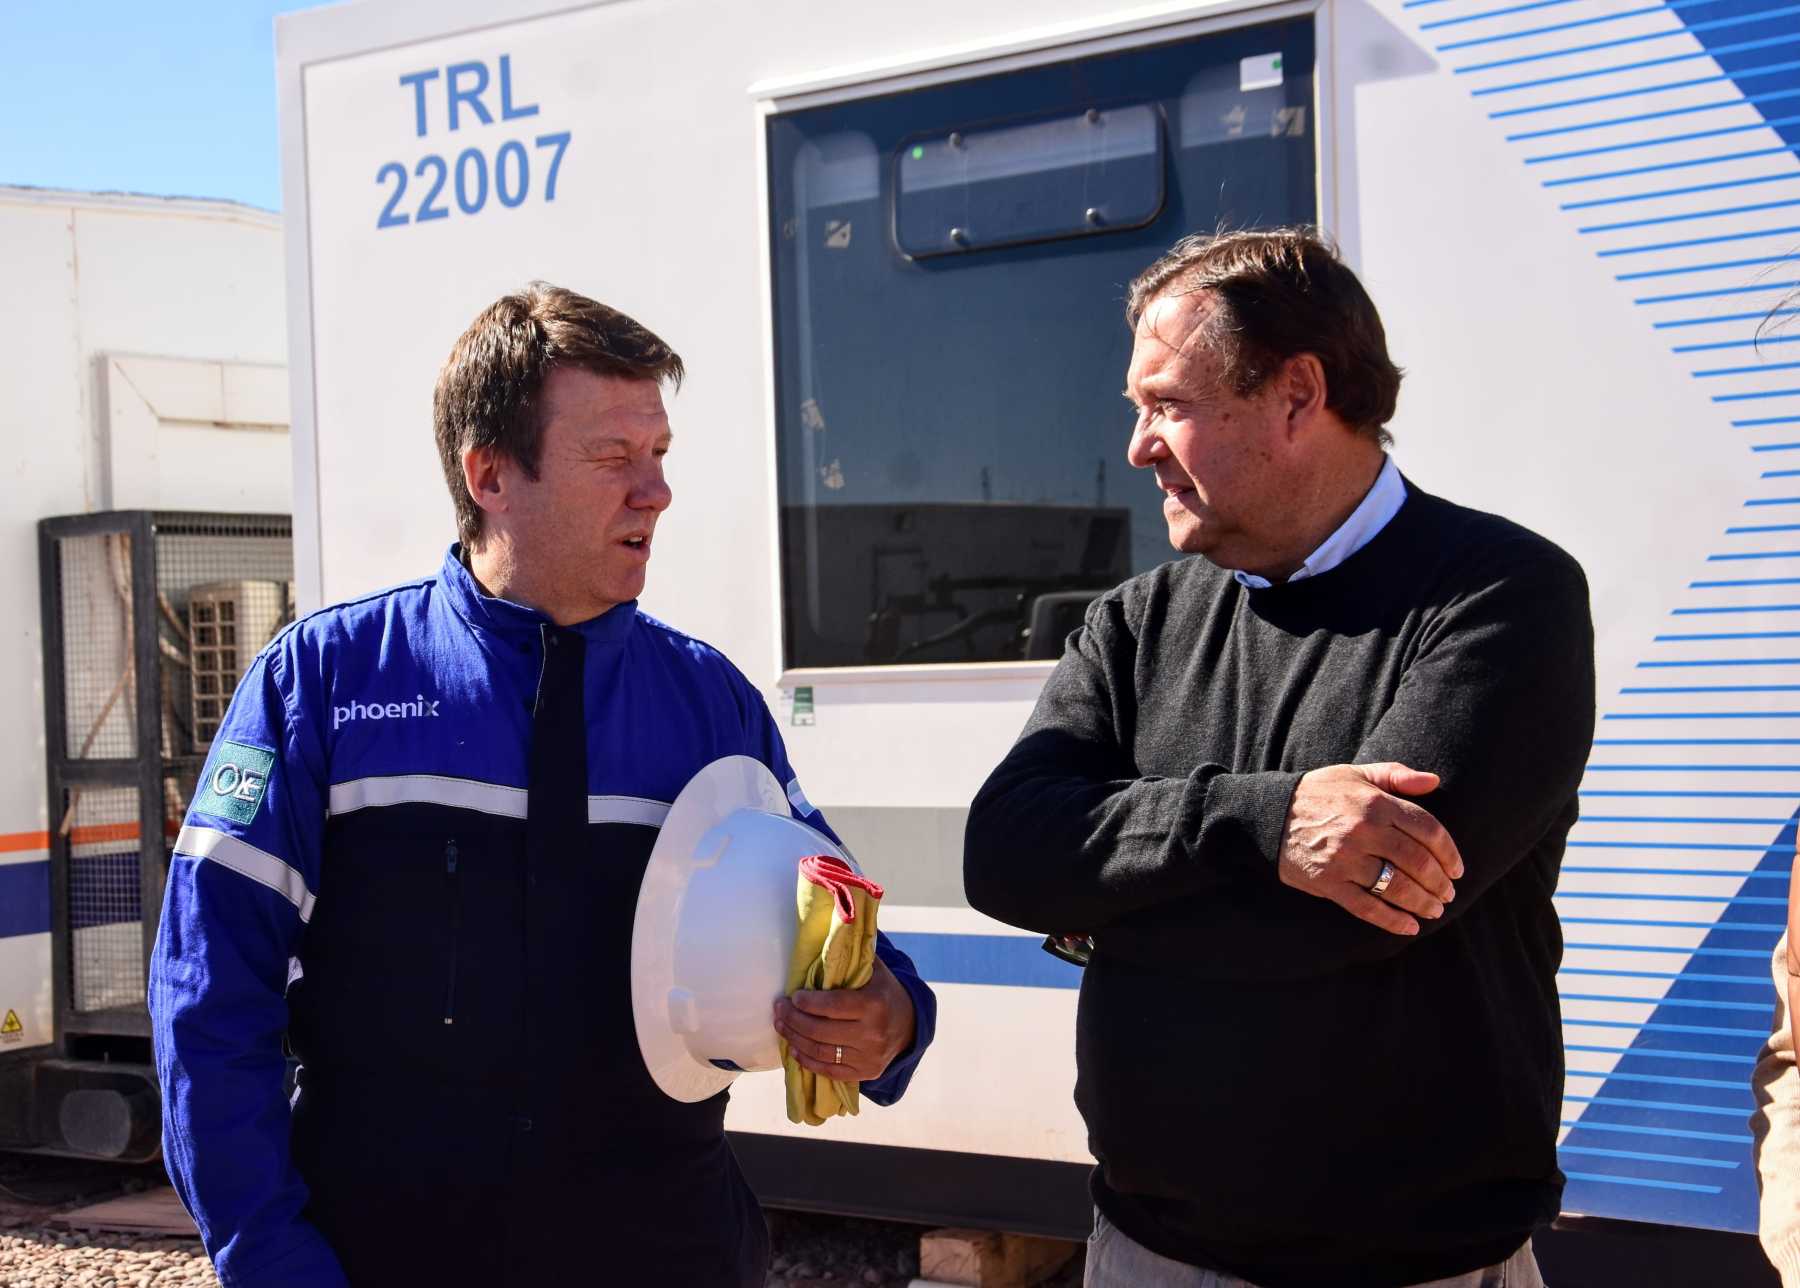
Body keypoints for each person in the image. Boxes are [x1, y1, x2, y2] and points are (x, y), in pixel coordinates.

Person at [149, 284, 937, 1288]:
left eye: (659, 457)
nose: (653, 492)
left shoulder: (710, 705)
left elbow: (848, 930)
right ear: (491, 475)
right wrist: (269, 1256)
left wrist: (892, 1018)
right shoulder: (328, 681)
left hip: (671, 1256)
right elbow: (209, 998)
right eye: (614, 460)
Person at [962, 228, 1594, 1287]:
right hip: (1149, 1251)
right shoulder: (1136, 622)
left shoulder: (1499, 598)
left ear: (1297, 393)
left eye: (1167, 404)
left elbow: (1360, 921)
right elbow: (1004, 855)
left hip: (1420, 1266)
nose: (1137, 447)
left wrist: (1112, 902)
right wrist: (1263, 822)